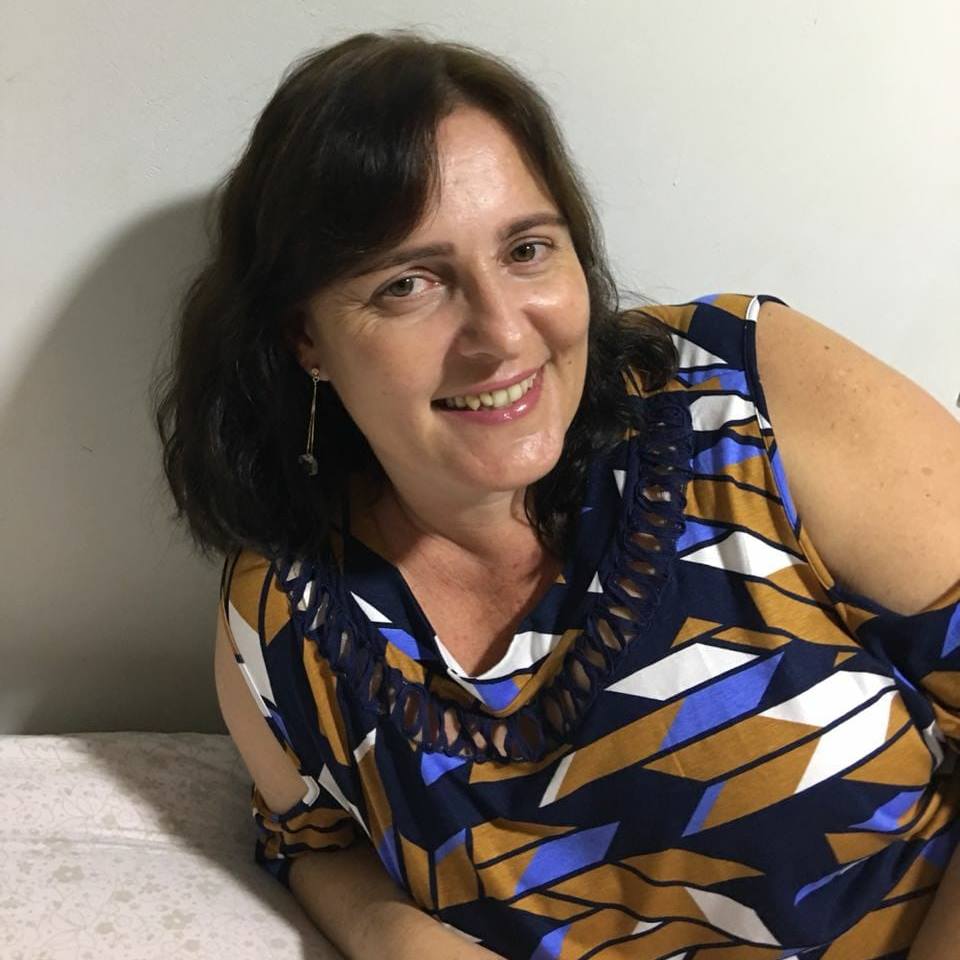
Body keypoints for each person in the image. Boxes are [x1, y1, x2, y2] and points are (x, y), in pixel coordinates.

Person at [153, 30, 960, 960]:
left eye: (528, 249)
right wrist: (395, 938)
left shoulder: (745, 396)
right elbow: (311, 839)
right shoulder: (287, 617)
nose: (501, 334)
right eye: (410, 283)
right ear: (306, 337)